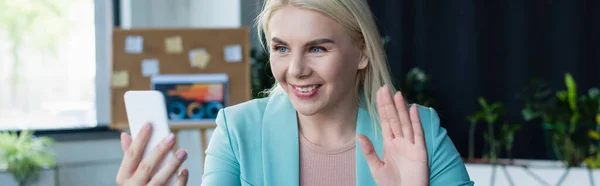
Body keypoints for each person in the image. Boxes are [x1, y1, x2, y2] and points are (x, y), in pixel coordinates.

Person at [115, 0, 474, 185]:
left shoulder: (419, 131)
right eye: (281, 48)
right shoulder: (238, 130)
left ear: (362, 51)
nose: (296, 70)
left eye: (318, 48)